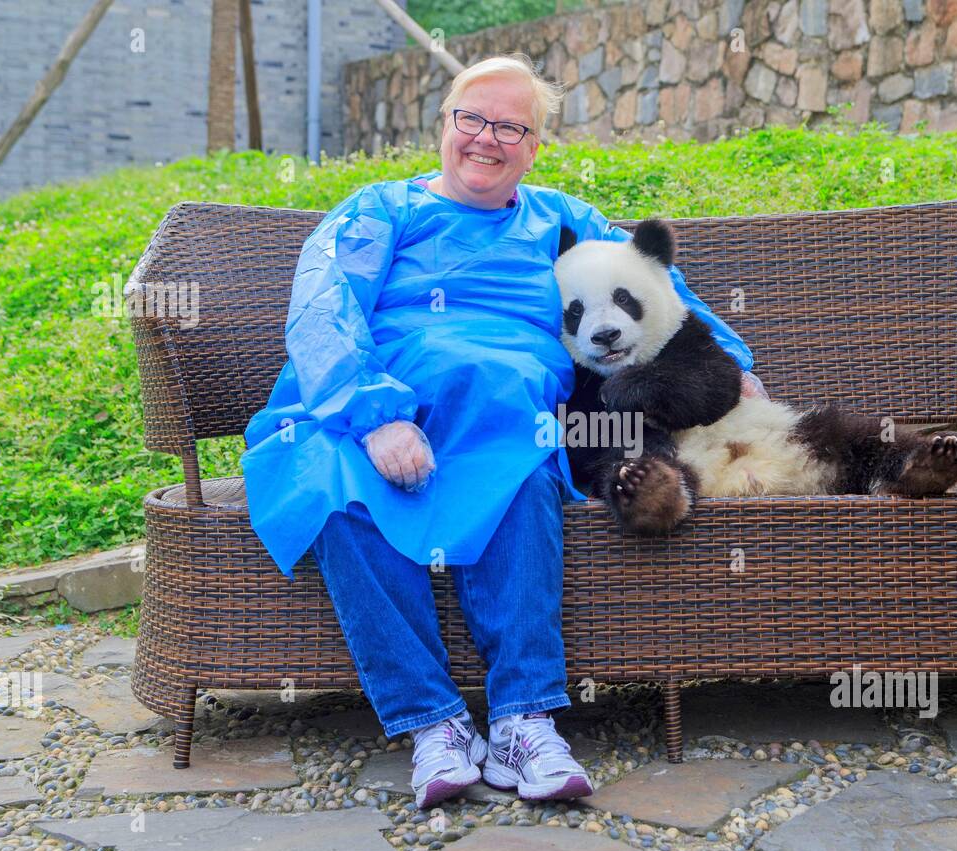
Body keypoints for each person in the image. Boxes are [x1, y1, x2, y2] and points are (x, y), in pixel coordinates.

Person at [240, 53, 760, 808]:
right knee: (333, 494)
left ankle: (524, 720)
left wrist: (731, 360)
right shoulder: (377, 210)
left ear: (535, 145)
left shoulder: (564, 219)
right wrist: (376, 415)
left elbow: (655, 283)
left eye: (510, 126)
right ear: (444, 125)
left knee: (526, 471)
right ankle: (435, 725)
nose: (487, 138)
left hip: (507, 415)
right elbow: (322, 311)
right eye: (471, 119)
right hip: (366, 405)